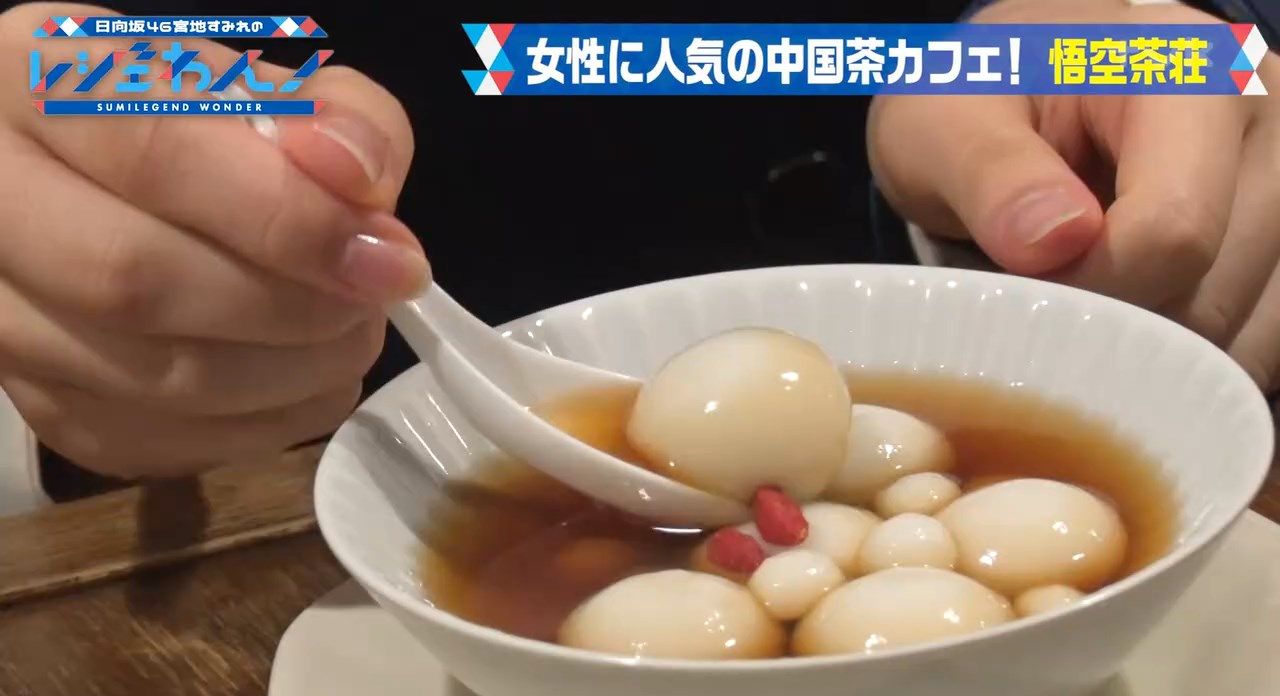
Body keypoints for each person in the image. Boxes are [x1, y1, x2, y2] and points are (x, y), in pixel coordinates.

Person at [0, 0, 1277, 481]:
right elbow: (77, 60)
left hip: (1003, 312)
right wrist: (60, 141)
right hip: (293, 463)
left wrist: (1191, 37)